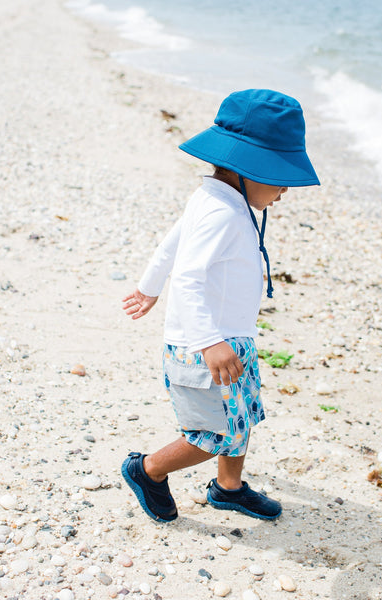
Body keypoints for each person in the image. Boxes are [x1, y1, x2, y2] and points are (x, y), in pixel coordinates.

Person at [120, 89, 319, 522]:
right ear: (250, 167)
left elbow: (172, 242)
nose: (285, 188)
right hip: (202, 346)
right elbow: (189, 276)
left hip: (232, 338)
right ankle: (148, 470)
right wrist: (210, 342)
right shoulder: (222, 213)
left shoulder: (218, 198)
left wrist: (148, 285)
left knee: (242, 417)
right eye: (280, 176)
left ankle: (228, 488)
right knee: (210, 433)